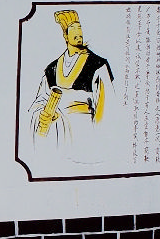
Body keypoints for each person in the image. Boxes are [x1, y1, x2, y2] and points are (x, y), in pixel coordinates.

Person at [29, 9, 115, 149]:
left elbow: (107, 109)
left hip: (85, 133)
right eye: (73, 29)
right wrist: (45, 114)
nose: (78, 33)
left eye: (79, 28)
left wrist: (99, 138)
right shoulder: (52, 69)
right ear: (65, 35)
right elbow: (39, 102)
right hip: (57, 135)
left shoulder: (97, 65)